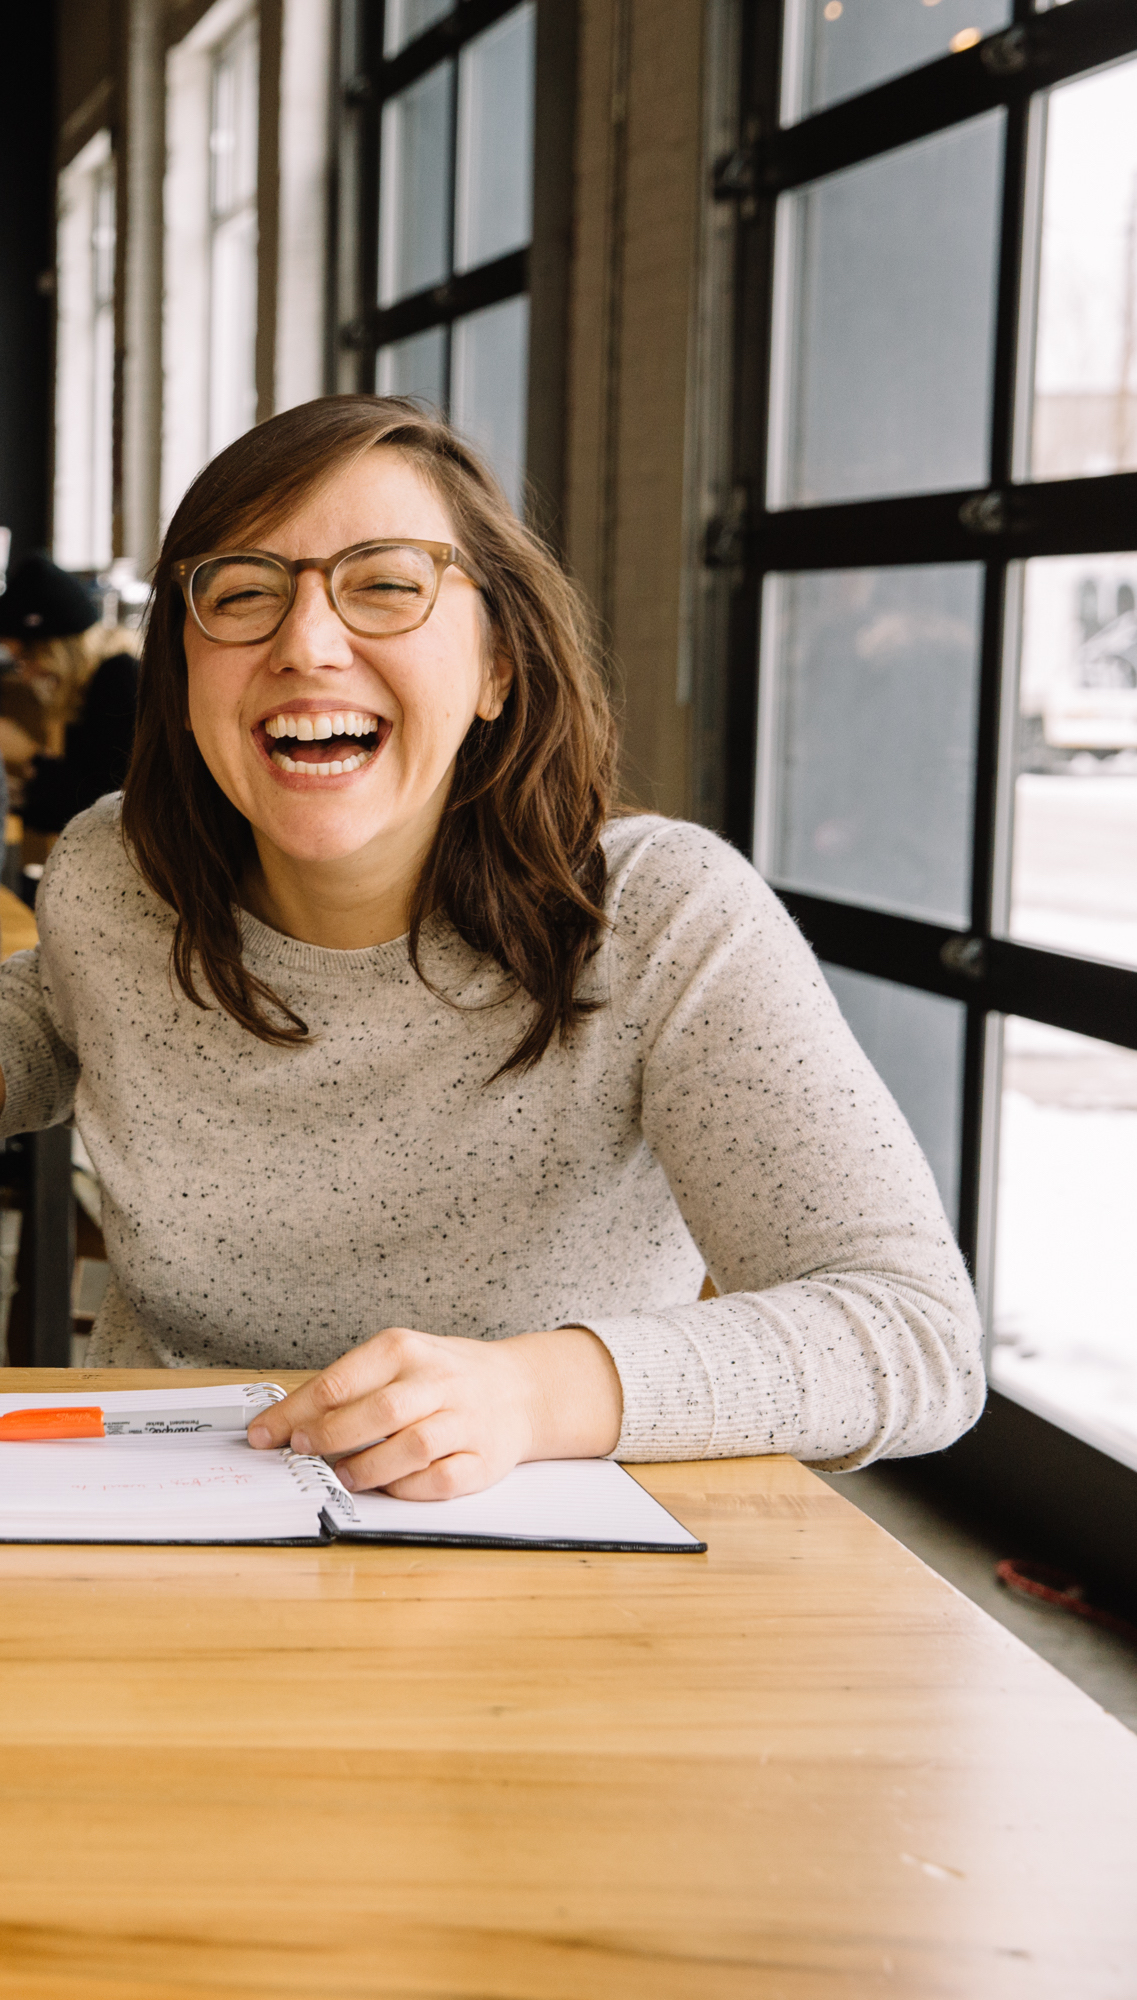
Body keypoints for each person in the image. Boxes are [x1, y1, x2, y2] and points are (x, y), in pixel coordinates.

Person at [0, 397, 983, 1498]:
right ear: (182, 676)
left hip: (539, 1568)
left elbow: (912, 1331)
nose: (306, 643)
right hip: (147, 1531)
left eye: (385, 585)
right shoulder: (117, 878)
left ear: (498, 666)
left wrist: (532, 1394)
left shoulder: (664, 919)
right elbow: (52, 1016)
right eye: (241, 595)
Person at [0, 554, 139, 835]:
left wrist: (29, 755)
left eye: (25, 660)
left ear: (55, 649)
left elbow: (103, 808)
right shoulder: (87, 688)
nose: (25, 675)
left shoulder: (117, 680)